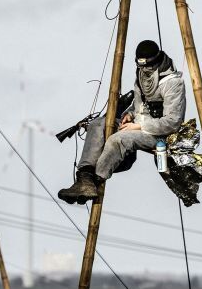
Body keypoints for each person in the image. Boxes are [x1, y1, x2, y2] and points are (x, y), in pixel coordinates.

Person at [58, 40, 186, 204]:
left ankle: (96, 179)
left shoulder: (173, 83)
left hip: (159, 135)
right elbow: (139, 106)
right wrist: (130, 115)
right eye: (141, 66)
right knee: (98, 124)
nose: (144, 70)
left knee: (118, 138)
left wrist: (139, 126)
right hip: (136, 125)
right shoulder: (141, 76)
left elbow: (173, 121)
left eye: (148, 66)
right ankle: (85, 177)